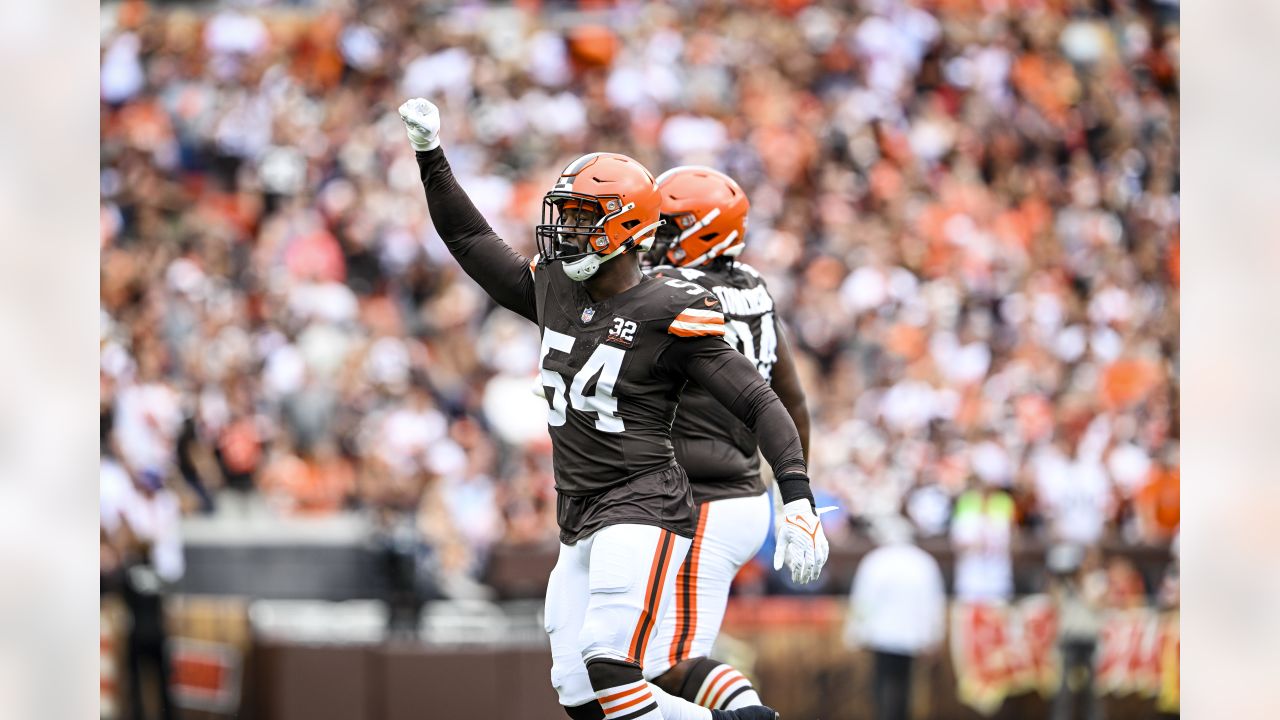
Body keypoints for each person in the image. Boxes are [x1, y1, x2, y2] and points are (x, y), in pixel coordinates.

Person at [399, 98, 828, 720]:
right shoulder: (554, 289)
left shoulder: (669, 307)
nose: (564, 231)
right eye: (565, 216)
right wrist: (430, 155)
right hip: (582, 508)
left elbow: (761, 398)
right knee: (577, 692)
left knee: (616, 666)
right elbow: (469, 238)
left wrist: (797, 494)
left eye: (582, 218)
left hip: (644, 501)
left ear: (626, 227)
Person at [639, 166, 811, 712]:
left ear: (706, 230)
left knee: (666, 666)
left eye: (669, 226)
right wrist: (794, 492)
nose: (654, 237)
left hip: (708, 498)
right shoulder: (753, 287)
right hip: (731, 493)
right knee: (644, 660)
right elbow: (794, 401)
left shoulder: (674, 293)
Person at [844, 515, 946, 720]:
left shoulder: (876, 561)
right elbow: (933, 604)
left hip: (881, 637)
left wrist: (855, 634)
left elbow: (863, 602)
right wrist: (933, 637)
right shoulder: (923, 562)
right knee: (904, 686)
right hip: (911, 637)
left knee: (883, 684)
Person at [1046, 544, 1106, 720]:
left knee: (1091, 692)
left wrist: (1079, 583)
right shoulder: (1063, 586)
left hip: (1089, 641)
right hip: (1069, 641)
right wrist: (1058, 579)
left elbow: (1096, 604)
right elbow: (1054, 603)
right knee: (1064, 692)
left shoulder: (1095, 581)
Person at [950, 477, 1015, 602]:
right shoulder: (966, 511)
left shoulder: (1002, 508)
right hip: (971, 579)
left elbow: (1012, 541)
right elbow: (958, 542)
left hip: (997, 578)